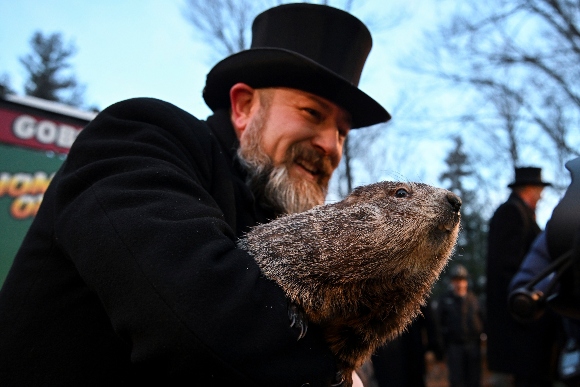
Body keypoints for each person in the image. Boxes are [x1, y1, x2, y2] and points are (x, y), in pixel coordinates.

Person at [0, 4, 390, 386]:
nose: (332, 146)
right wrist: (332, 377)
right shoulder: (142, 137)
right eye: (312, 112)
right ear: (244, 107)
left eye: (343, 132)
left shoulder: (270, 213)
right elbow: (194, 317)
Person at [486, 166, 559, 386]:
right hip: (520, 322)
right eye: (539, 190)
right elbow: (509, 267)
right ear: (528, 189)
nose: (541, 196)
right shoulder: (512, 213)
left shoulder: (521, 214)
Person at [371, 302, 443, 387]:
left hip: (412, 351)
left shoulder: (415, 289)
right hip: (384, 353)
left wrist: (432, 347)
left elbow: (429, 319)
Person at [437, 264, 484, 387]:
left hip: (473, 345)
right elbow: (439, 324)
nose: (459, 284)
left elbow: (483, 319)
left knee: (474, 379)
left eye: (462, 280)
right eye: (456, 280)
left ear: (466, 282)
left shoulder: (474, 300)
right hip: (454, 346)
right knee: (456, 380)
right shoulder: (444, 300)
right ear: (452, 282)